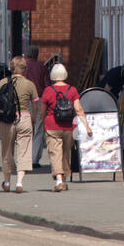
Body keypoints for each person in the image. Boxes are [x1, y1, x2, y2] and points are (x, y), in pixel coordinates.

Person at [41, 63, 91, 192]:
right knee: (65, 154)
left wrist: (43, 122)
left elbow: (43, 111)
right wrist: (87, 126)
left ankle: (58, 180)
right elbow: (79, 109)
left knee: (55, 153)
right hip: (69, 126)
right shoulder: (73, 90)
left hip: (52, 126)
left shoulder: (48, 90)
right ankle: (63, 180)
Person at [0, 57, 39, 194]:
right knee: (24, 150)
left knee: (7, 151)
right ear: (25, 69)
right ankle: (19, 182)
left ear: (11, 68)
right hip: (24, 117)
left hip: (6, 119)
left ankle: (7, 182)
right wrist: (33, 118)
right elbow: (35, 104)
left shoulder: (3, 82)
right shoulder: (29, 84)